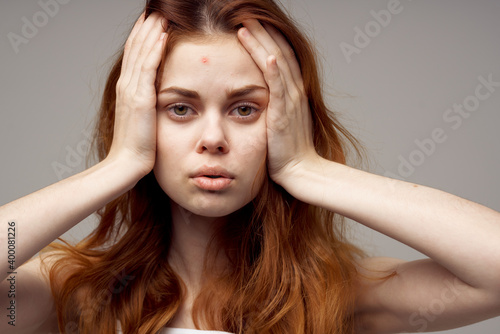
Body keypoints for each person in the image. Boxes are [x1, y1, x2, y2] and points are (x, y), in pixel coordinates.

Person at [1, 0, 499, 333]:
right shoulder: (76, 293)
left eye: (245, 108)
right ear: (138, 119)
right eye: (180, 108)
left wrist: (309, 169)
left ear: (287, 121)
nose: (213, 139)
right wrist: (119, 165)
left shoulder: (334, 294)